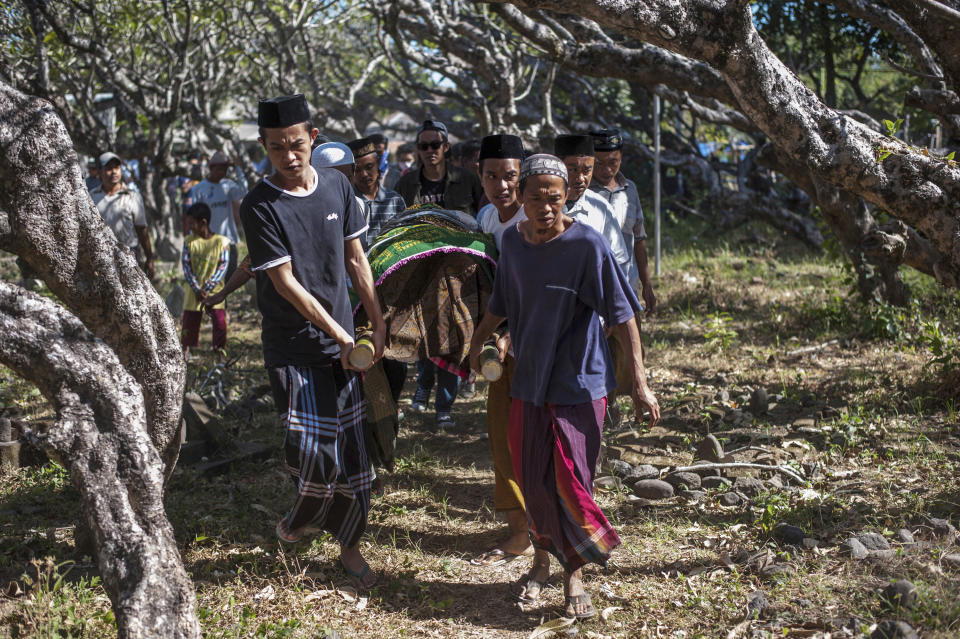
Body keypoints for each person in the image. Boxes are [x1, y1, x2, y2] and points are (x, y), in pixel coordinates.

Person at [468, 154, 660, 620]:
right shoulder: (512, 245)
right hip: (530, 381)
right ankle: (539, 565)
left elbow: (622, 314)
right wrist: (477, 341)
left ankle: (574, 572)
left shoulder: (586, 245)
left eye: (554, 198)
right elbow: (501, 303)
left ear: (565, 196)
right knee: (532, 479)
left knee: (571, 480)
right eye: (536, 198)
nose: (546, 207)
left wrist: (639, 381)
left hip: (579, 381)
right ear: (522, 198)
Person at [239, 94, 386, 591]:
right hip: (293, 347)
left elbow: (356, 259)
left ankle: (349, 547)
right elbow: (284, 283)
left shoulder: (338, 191)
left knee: (354, 458)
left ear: (313, 138)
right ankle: (302, 518)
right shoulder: (259, 205)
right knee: (313, 453)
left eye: (296, 144)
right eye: (276, 147)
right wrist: (344, 333)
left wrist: (377, 321)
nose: (288, 155)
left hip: (344, 351)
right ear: (264, 146)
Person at [470, 134, 532, 568]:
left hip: (540, 348)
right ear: (480, 177)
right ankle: (518, 530)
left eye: (509, 175)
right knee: (502, 436)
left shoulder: (537, 218)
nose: (501, 185)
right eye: (492, 176)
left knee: (538, 438)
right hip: (500, 348)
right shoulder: (486, 219)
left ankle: (545, 526)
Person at [589, 129, 657, 314]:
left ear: (621, 158)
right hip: (593, 290)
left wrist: (647, 284)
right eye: (598, 163)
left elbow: (639, 239)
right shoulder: (581, 193)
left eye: (613, 162)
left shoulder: (630, 190)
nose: (607, 169)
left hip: (627, 284)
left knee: (632, 341)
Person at [395, 119, 483, 216]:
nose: (429, 150)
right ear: (418, 149)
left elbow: (484, 215)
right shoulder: (405, 184)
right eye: (424, 146)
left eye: (435, 145)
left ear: (446, 146)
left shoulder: (468, 179)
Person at [90, 151, 154, 280]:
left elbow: (141, 229)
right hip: (100, 256)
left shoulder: (133, 196)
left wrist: (150, 258)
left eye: (116, 168)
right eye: (108, 168)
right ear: (99, 172)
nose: (114, 172)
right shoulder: (91, 197)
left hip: (128, 254)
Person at [180, 202, 231, 358]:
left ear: (203, 222)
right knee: (189, 323)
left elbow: (222, 267)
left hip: (214, 292)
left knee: (220, 323)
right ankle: (184, 352)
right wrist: (197, 289)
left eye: (192, 223)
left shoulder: (222, 242)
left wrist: (207, 289)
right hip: (193, 292)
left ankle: (219, 352)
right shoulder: (189, 242)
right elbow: (186, 267)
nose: (189, 227)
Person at [187, 150, 245, 280]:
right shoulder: (199, 189)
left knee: (229, 280)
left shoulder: (228, 185)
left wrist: (238, 169)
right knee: (211, 280)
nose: (222, 173)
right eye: (219, 169)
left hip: (228, 241)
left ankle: (226, 301)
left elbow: (242, 192)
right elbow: (194, 215)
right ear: (211, 169)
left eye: (225, 170)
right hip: (209, 242)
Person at [347, 136, 407, 246]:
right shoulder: (348, 202)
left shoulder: (395, 200)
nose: (364, 174)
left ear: (378, 163)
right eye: (358, 170)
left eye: (369, 167)